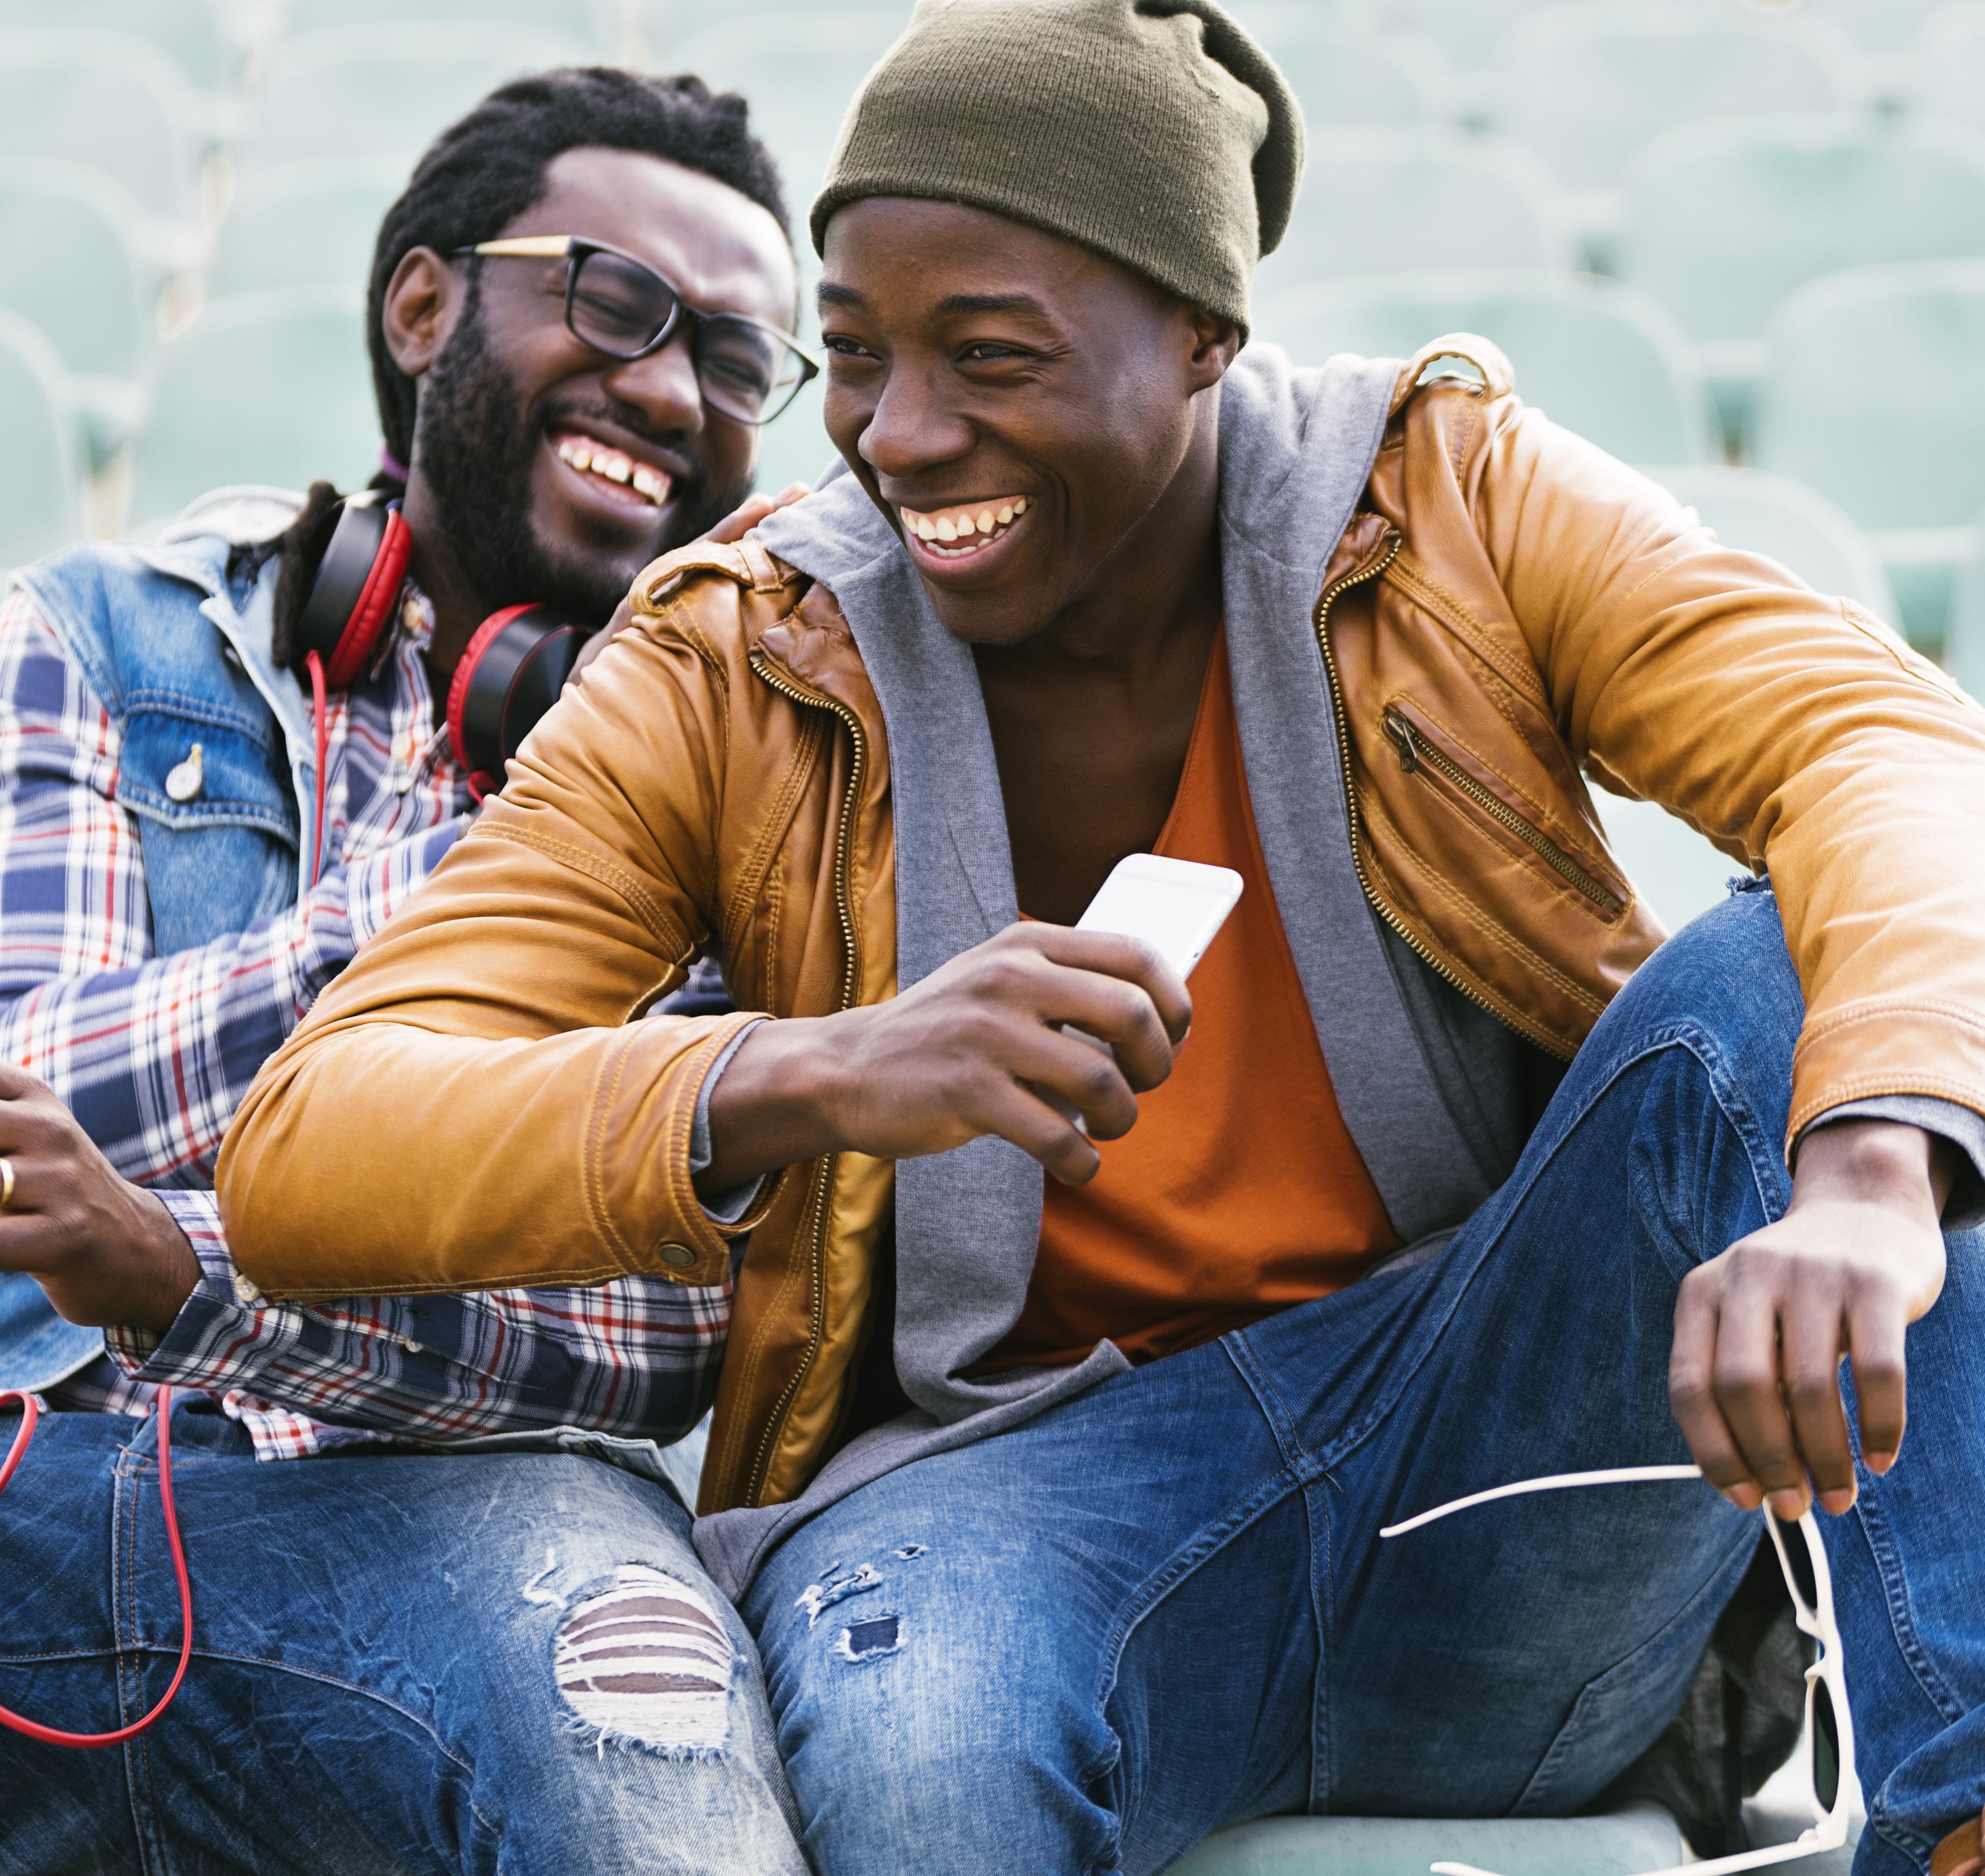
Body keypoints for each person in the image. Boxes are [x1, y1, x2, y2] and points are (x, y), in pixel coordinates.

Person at [216, 3, 1985, 1874]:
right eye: (859, 353)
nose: (901, 435)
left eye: (992, 357)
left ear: (1206, 336)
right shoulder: (736, 651)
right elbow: (310, 1140)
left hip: (1495, 1447)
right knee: (910, 1759)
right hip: (1004, 1506)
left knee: (1802, 979)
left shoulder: (1444, 495)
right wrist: (821, 1068)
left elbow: (1883, 746)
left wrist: (1870, 1172)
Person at [0, 67, 816, 1875]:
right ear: (426, 303)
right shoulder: (98, 634)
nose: (675, 388)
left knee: (649, 1721)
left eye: (740, 363)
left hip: (467, 1521)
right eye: (617, 302)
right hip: (31, 1486)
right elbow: (18, 1098)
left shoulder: (744, 784)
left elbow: (656, 1320)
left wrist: (179, 1267)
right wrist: (471, 901)